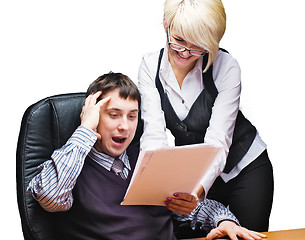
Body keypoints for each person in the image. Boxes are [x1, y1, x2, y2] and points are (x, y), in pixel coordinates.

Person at [27, 72, 266, 240]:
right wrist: (85, 130)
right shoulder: (70, 164)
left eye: (132, 116)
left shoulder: (148, 160)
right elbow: (51, 197)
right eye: (113, 114)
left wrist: (223, 221)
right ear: (93, 116)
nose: (125, 126)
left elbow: (189, 206)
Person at [138, 0, 274, 233]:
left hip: (246, 167)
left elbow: (218, 140)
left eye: (198, 45)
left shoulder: (226, 66)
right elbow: (153, 135)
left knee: (247, 235)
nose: (185, 53)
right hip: (199, 172)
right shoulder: (150, 67)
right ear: (165, 25)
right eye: (179, 40)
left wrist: (197, 191)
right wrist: (158, 186)